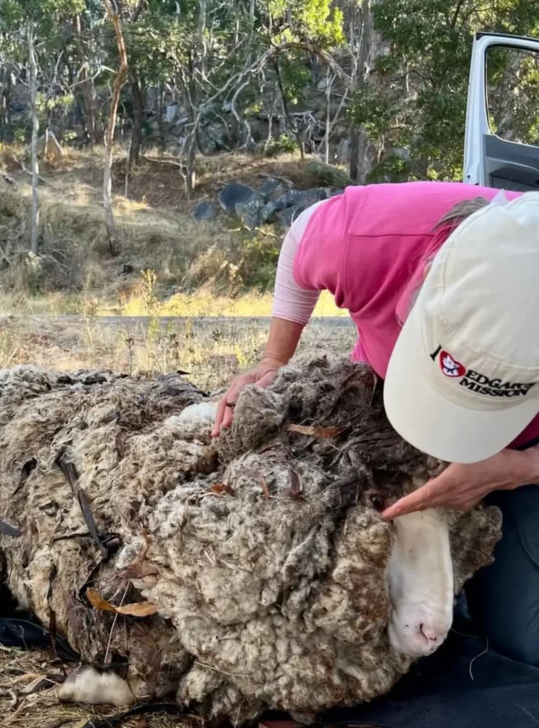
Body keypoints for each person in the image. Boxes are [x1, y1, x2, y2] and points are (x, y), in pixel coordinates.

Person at [213, 182, 539, 665]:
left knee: (526, 639)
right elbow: (301, 238)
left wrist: (517, 468)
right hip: (383, 409)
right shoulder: (372, 238)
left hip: (521, 449)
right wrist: (273, 356)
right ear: (423, 282)